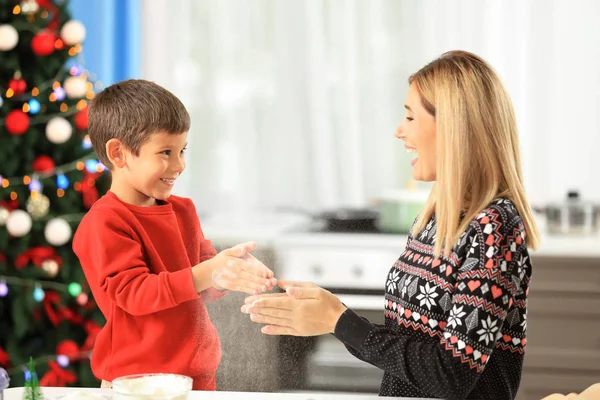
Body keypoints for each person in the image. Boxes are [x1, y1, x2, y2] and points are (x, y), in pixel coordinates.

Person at [242, 50, 541, 400]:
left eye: (411, 117)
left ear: (453, 126)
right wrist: (330, 316)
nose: (400, 131)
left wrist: (341, 322)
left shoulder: (494, 227)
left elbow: (451, 374)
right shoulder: (433, 219)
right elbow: (409, 349)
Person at [73, 79, 277, 390]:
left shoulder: (182, 210)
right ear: (118, 153)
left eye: (182, 150)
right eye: (165, 152)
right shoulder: (105, 222)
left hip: (197, 373)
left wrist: (225, 271)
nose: (179, 165)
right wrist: (205, 272)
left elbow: (202, 275)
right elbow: (134, 293)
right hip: (137, 382)